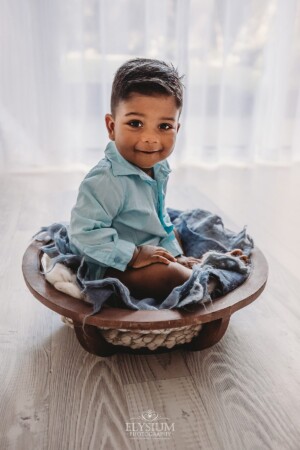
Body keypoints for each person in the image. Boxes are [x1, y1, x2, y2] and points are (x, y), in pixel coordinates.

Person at [69, 58, 246, 301]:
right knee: (171, 277)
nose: (151, 138)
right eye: (135, 123)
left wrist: (175, 253)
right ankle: (208, 276)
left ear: (177, 129)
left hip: (151, 250)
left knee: (177, 231)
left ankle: (193, 266)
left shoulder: (158, 168)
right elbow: (82, 233)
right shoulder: (105, 180)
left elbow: (159, 220)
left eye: (164, 126)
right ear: (111, 126)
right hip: (113, 265)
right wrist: (133, 255)